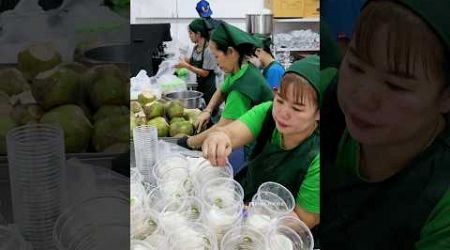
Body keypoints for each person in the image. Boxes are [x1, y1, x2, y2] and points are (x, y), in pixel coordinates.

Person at [321, 0, 450, 249]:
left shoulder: (441, 201)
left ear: (445, 96)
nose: (361, 97)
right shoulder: (326, 94)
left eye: (395, 85)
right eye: (356, 66)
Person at [202, 56, 321, 228]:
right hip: (249, 201)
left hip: (280, 230)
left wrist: (258, 214)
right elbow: (230, 134)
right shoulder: (267, 113)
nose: (282, 112)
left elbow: (304, 220)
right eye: (280, 100)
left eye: (296, 108)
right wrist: (218, 138)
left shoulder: (317, 156)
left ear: (318, 113)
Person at [177, 22, 273, 153]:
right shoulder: (242, 70)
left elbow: (222, 127)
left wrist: (189, 142)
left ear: (231, 52)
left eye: (217, 56)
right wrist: (208, 110)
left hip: (260, 147)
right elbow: (222, 90)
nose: (216, 62)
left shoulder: (241, 91)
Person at [175, 18, 217, 104]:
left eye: (190, 33)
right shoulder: (196, 48)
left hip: (209, 90)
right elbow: (192, 61)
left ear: (198, 34)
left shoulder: (208, 50)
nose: (189, 36)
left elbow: (205, 73)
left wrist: (186, 66)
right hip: (200, 86)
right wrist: (182, 60)